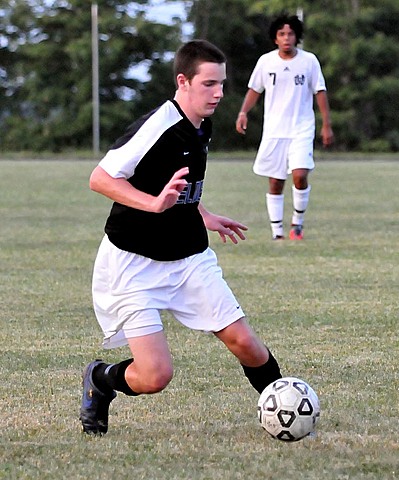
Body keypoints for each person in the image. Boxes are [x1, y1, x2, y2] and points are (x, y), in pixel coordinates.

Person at [80, 40, 282, 436]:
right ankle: (101, 380)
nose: (220, 93)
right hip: (133, 263)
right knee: (155, 376)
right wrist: (154, 205)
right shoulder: (158, 126)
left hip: (189, 256)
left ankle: (285, 409)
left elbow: (180, 185)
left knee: (246, 343)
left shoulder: (202, 123)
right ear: (183, 81)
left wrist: (201, 213)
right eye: (209, 84)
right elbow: (100, 178)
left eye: (222, 83)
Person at [235, 14, 333, 241]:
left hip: (301, 128)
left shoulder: (309, 61)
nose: (286, 38)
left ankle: (297, 224)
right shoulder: (266, 62)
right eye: (281, 34)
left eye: (290, 33)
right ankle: (277, 233)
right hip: (274, 130)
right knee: (276, 181)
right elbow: (254, 89)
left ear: (297, 37)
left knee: (299, 175)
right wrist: (243, 112)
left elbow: (320, 91)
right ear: (275, 38)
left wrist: (326, 124)